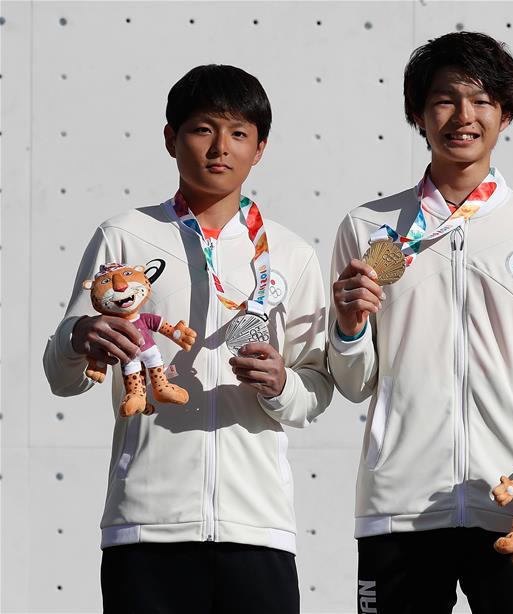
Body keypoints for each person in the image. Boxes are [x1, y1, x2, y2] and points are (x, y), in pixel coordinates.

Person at [42, 64, 332, 613]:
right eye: (203, 129)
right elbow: (62, 378)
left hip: (258, 527)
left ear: (260, 147)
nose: (220, 148)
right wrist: (79, 337)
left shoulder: (291, 255)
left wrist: (281, 385)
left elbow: (315, 388)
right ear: (171, 138)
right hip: (145, 526)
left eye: (239, 133)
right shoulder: (125, 236)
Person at [328, 32, 513, 614]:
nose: (463, 117)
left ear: (506, 113)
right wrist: (347, 327)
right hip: (399, 507)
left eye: (482, 101)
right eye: (445, 99)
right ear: (418, 113)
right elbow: (353, 382)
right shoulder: (368, 228)